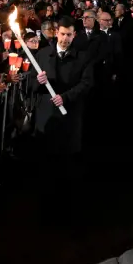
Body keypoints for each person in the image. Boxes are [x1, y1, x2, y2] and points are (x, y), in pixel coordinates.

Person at [30, 16, 95, 174]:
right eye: (63, 34)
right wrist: (38, 81)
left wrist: (65, 97)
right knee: (45, 160)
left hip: (69, 115)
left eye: (69, 35)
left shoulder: (82, 57)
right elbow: (31, 83)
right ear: (56, 33)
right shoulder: (43, 54)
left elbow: (86, 83)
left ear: (74, 35)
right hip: (46, 114)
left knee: (66, 162)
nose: (65, 38)